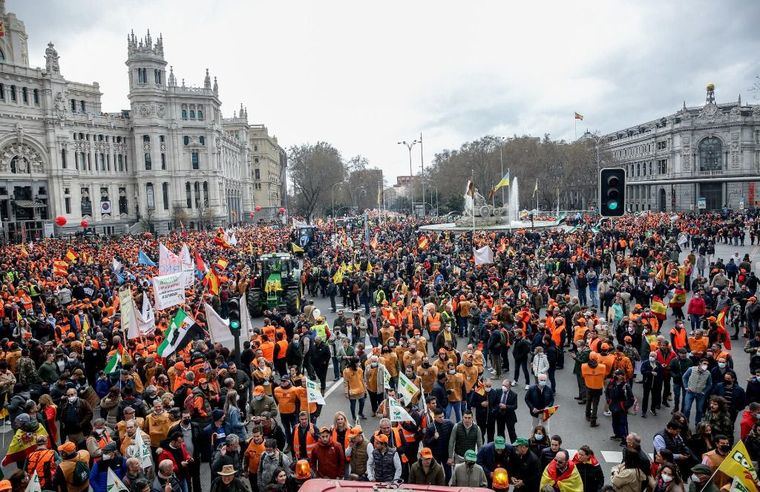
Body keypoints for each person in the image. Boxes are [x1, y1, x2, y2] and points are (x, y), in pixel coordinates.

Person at [682, 359, 713, 426]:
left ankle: (698, 424)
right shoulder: (691, 369)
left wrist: (704, 392)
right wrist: (686, 387)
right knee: (687, 408)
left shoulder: (708, 373)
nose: (706, 365)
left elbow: (709, 384)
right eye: (704, 363)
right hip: (690, 392)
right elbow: (685, 377)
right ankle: (686, 423)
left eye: (707, 364)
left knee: (699, 410)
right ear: (700, 363)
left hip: (700, 394)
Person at [606, 369, 632, 442]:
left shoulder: (625, 385)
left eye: (617, 374)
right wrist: (608, 401)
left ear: (622, 376)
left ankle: (625, 439)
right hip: (613, 406)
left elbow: (631, 398)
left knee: (623, 423)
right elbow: (607, 392)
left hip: (621, 408)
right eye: (615, 374)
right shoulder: (612, 383)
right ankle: (617, 435)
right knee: (615, 422)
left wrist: (624, 406)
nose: (615, 376)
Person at [489, 378, 518, 442]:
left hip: (509, 416)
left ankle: (514, 447)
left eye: (505, 386)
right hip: (500, 415)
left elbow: (515, 406)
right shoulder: (498, 391)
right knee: (500, 432)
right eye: (502, 385)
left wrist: (506, 406)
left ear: (509, 387)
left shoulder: (514, 395)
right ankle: (502, 446)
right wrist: (497, 407)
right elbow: (494, 402)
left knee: (512, 432)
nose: (503, 387)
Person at [581, 354, 606, 427]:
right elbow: (603, 376)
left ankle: (587, 415)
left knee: (588, 401)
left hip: (589, 387)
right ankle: (593, 421)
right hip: (598, 388)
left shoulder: (584, 366)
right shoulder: (602, 367)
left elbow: (583, 376)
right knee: (595, 404)